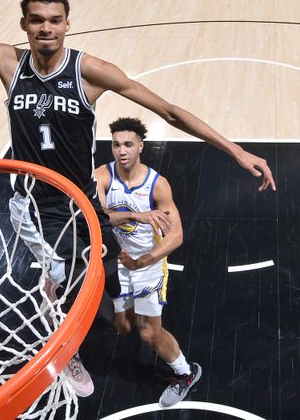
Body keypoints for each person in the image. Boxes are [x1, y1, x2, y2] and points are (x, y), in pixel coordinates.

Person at [0, 0, 275, 398]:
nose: (46, 28)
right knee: (63, 280)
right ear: (23, 24)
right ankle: (65, 350)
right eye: (36, 20)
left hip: (80, 199)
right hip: (35, 203)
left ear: (68, 23)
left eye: (55, 20)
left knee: (102, 274)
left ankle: (109, 316)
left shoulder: (89, 71)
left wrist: (234, 151)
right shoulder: (5, 61)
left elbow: (170, 112)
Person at [94, 117, 201, 408]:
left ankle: (185, 373)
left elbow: (176, 235)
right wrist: (135, 215)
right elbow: (97, 216)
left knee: (148, 333)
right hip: (119, 263)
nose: (121, 150)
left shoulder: (157, 185)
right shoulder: (102, 176)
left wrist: (142, 261)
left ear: (141, 146)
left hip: (147, 264)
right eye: (116, 144)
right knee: (124, 328)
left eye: (128, 144)